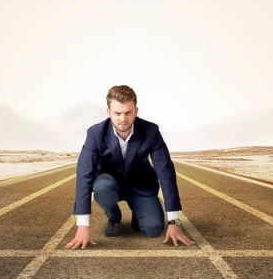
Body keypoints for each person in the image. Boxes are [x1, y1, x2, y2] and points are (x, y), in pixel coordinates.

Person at [65, 85, 195, 250]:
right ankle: (114, 217)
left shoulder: (151, 131)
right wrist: (82, 226)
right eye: (117, 113)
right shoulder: (95, 133)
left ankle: (138, 212)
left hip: (140, 185)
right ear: (108, 112)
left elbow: (166, 172)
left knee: (154, 229)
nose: (122, 119)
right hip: (109, 185)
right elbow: (84, 174)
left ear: (136, 110)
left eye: (128, 113)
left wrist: (174, 221)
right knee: (103, 186)